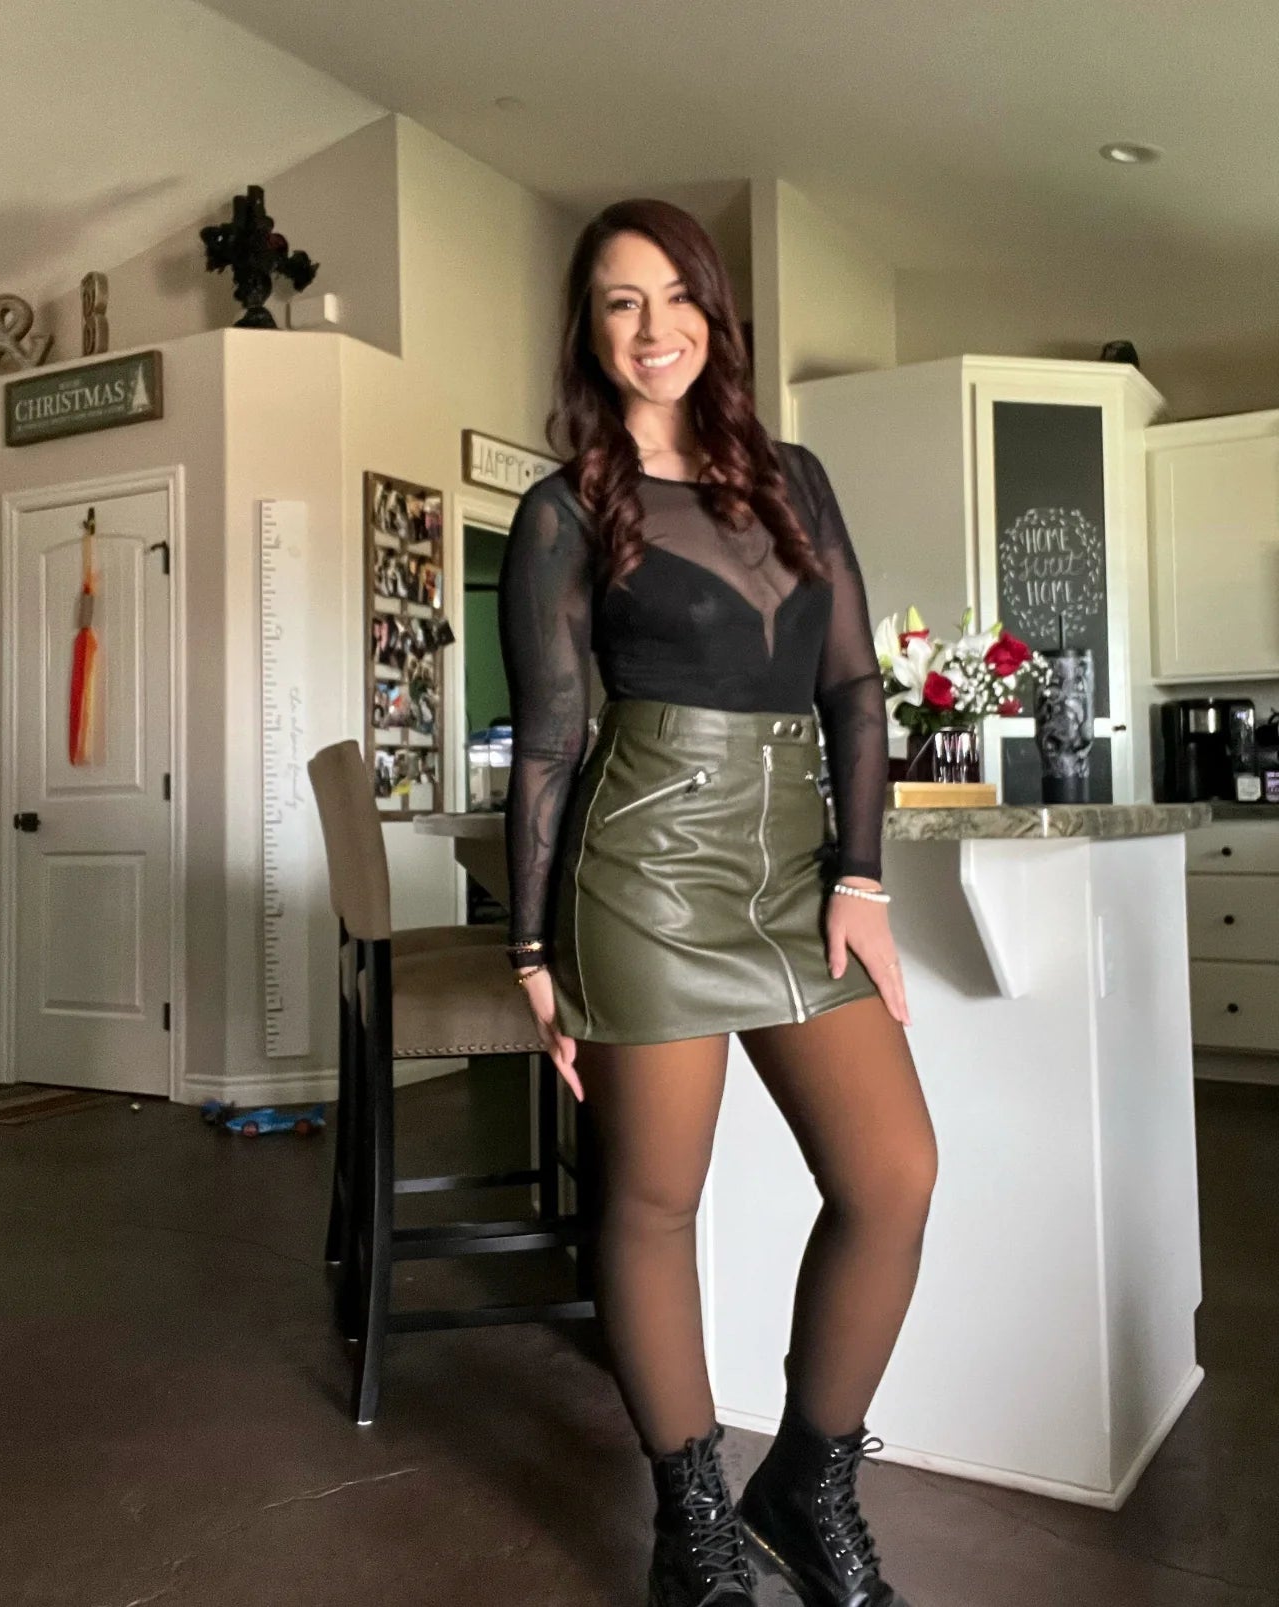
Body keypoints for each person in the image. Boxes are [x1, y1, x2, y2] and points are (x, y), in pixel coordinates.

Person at [497, 198, 936, 1607]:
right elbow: (551, 740)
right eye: (620, 302)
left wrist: (860, 877)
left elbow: (853, 686)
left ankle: (805, 1486)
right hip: (644, 868)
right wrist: (532, 948)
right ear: (589, 329)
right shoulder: (564, 509)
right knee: (652, 1198)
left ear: (714, 313)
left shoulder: (794, 480)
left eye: (676, 295)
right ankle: (692, 1528)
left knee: (892, 1176)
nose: (654, 327)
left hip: (796, 865)